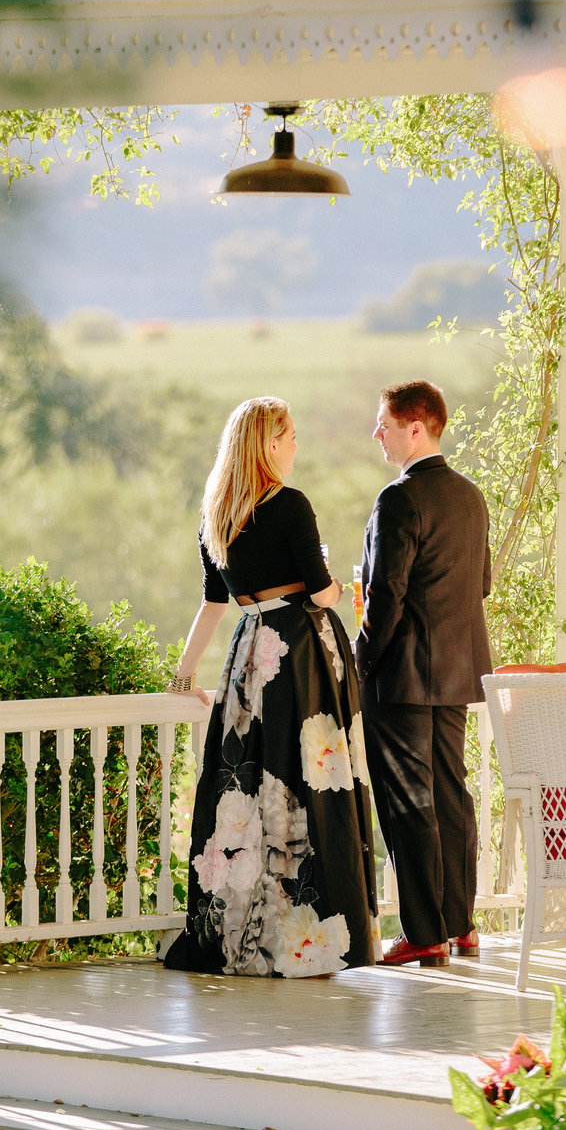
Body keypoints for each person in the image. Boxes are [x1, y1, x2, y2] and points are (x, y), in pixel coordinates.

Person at [163, 397, 379, 978]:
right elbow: (314, 590)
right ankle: (314, 936)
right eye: (289, 436)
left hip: (250, 652)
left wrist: (185, 675)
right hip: (302, 653)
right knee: (311, 784)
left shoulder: (217, 517)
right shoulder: (291, 505)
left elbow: (212, 605)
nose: (295, 446)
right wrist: (340, 590)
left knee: (253, 783)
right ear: (268, 444)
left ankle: (244, 936)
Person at [354, 380, 493, 969]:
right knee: (451, 795)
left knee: (408, 803)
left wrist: (358, 660)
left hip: (404, 676)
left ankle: (424, 932)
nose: (376, 433)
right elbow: (481, 583)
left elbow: (386, 595)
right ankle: (460, 925)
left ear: (416, 427)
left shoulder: (398, 498)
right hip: (457, 671)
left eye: (383, 423)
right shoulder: (471, 497)